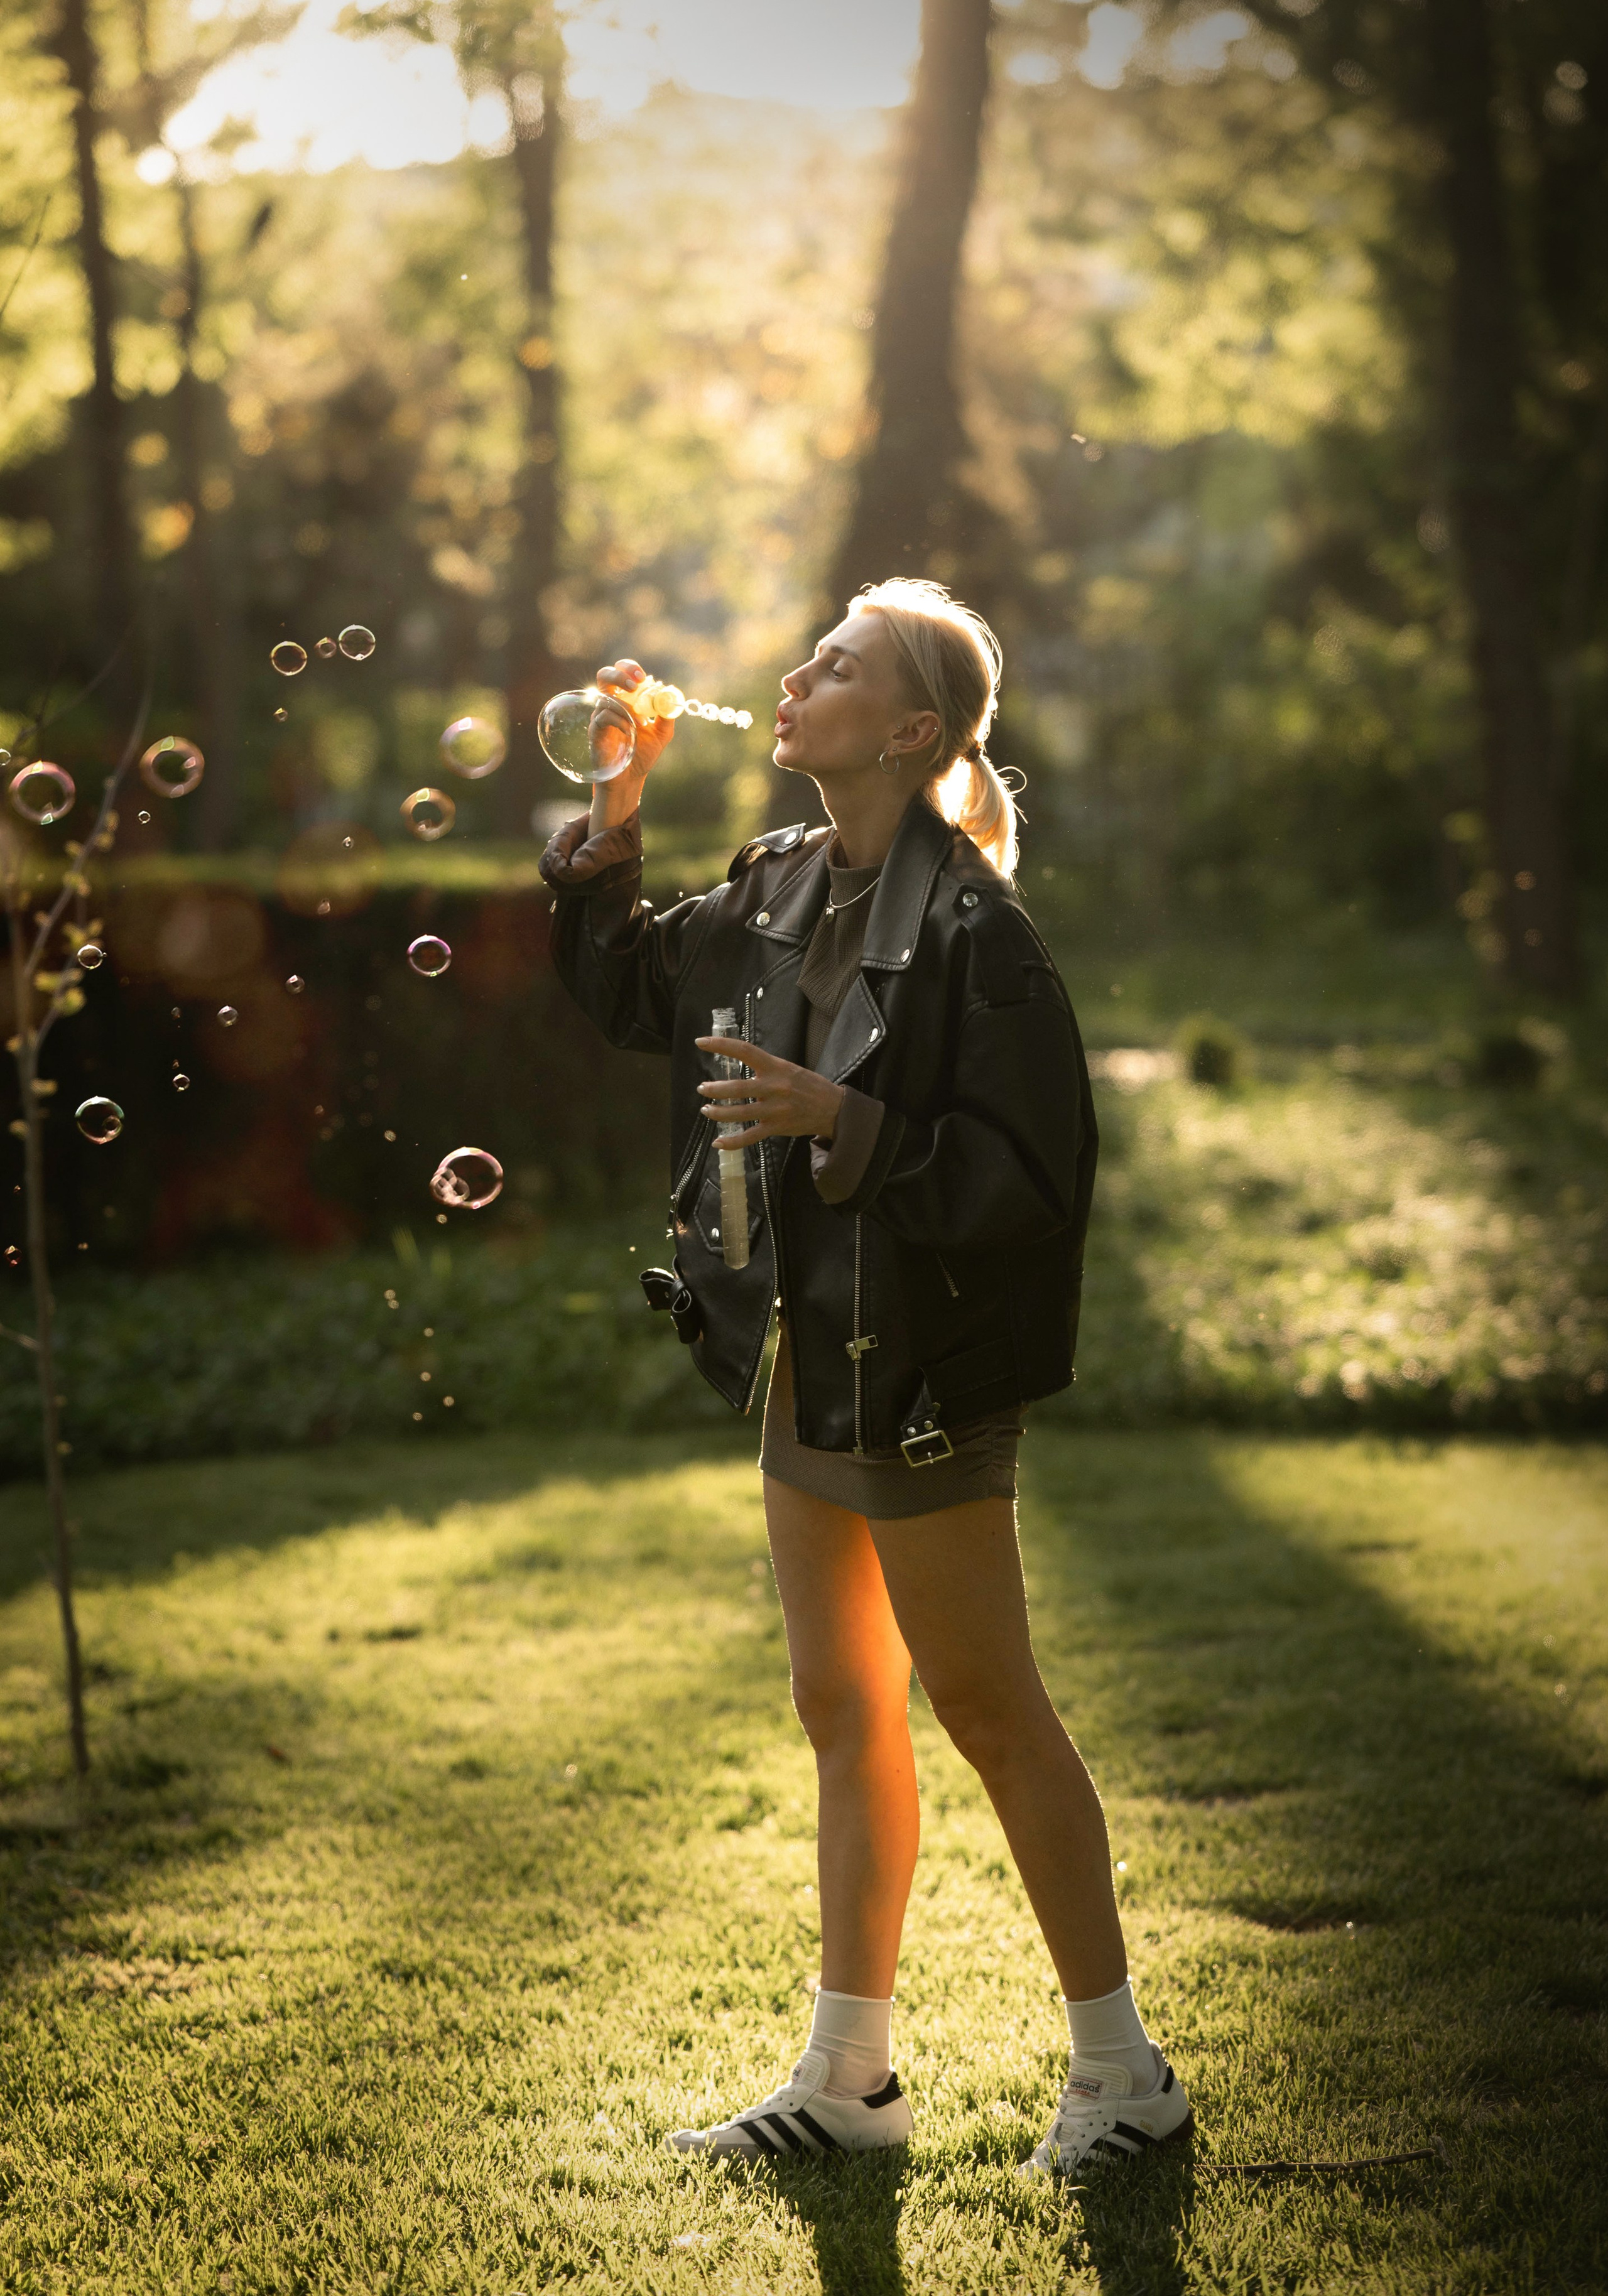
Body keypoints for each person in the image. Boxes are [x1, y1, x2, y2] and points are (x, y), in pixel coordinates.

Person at [538, 578, 1191, 2176]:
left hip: (917, 1376)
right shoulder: (772, 885)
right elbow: (628, 993)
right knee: (840, 1705)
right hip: (802, 1364)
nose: (790, 675)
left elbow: (1031, 1182)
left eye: (833, 666)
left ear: (910, 729)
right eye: (805, 654)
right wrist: (614, 815)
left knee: (982, 1701)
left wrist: (843, 1122)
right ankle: (850, 2081)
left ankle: (1127, 2081)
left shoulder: (980, 935)